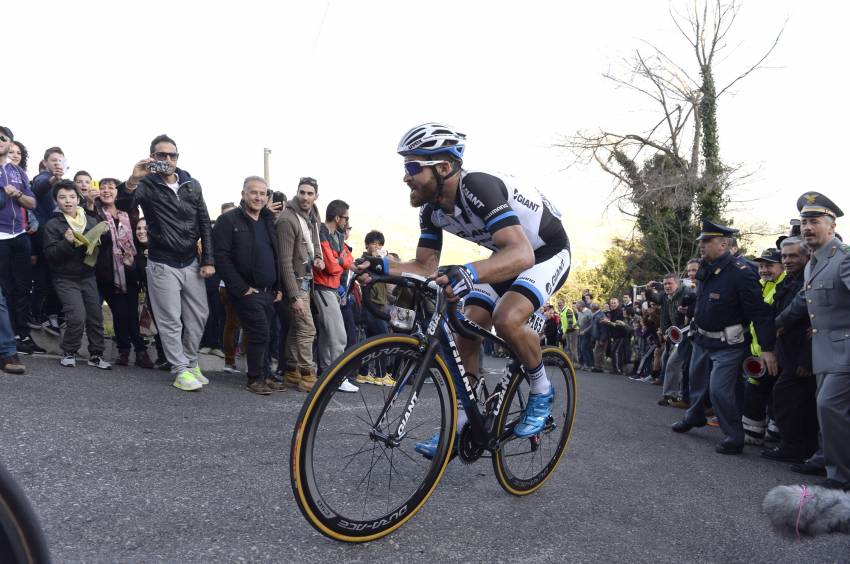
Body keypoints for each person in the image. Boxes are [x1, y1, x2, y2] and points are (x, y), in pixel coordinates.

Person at [356, 123, 571, 458]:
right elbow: (425, 266)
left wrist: (470, 273)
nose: (405, 177)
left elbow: (523, 254)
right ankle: (459, 425)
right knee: (465, 326)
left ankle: (542, 390)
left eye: (413, 167)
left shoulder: (478, 187)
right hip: (507, 255)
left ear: (444, 168)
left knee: (507, 318)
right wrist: (382, 267)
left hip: (544, 252)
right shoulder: (432, 209)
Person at [118, 134, 215, 391]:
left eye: (172, 155)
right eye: (162, 155)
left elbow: (204, 222)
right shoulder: (146, 184)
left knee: (199, 315)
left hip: (191, 261)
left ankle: (191, 361)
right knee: (170, 319)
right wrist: (133, 178)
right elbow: (123, 206)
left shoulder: (191, 184)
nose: (168, 160)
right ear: (153, 157)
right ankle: (180, 369)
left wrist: (208, 259)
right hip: (162, 262)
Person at [672, 220, 777, 455]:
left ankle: (734, 436)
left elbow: (759, 312)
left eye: (706, 241)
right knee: (696, 382)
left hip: (729, 344)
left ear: (723, 244)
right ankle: (694, 416)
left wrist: (767, 348)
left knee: (719, 389)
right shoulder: (705, 269)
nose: (701, 245)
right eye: (701, 240)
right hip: (702, 339)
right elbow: (705, 300)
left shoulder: (742, 272)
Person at [775, 192, 850, 491]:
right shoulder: (812, 263)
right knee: (827, 411)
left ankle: (841, 477)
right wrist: (777, 322)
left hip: (845, 350)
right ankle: (829, 463)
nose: (807, 227)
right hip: (825, 352)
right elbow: (804, 301)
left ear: (831, 227)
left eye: (815, 221)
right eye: (804, 222)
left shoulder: (844, 259)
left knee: (829, 406)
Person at [213, 176, 284, 395]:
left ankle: (265, 375)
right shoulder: (229, 221)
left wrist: (279, 287)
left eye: (262, 193)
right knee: (259, 332)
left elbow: (276, 256)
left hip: (269, 291)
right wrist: (241, 288)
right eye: (253, 192)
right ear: (243, 194)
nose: (258, 197)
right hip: (246, 291)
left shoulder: (267, 221)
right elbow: (221, 257)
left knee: (269, 333)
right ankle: (254, 379)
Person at [41, 180, 111, 369]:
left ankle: (96, 354)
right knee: (77, 316)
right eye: (62, 197)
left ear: (79, 198)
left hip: (88, 275)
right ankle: (69, 351)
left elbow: (102, 250)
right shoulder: (53, 225)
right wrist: (66, 242)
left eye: (72, 196)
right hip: (64, 278)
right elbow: (51, 256)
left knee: (96, 316)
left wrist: (104, 235)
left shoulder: (91, 220)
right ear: (56, 201)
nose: (68, 201)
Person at [763, 236, 816, 464]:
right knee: (792, 401)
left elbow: (813, 324)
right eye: (784, 256)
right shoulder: (789, 280)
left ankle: (795, 447)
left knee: (789, 398)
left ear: (807, 256)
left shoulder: (809, 279)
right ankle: (795, 446)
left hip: (802, 355)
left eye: (793, 255)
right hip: (787, 351)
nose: (787, 260)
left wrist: (807, 359)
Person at [276, 177, 323, 392]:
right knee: (307, 329)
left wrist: (318, 257)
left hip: (306, 280)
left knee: (297, 328)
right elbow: (284, 261)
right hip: (294, 283)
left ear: (315, 196)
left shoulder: (312, 215)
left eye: (309, 193)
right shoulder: (288, 219)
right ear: (297, 192)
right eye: (302, 192)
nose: (305, 197)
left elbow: (314, 241)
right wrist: (294, 296)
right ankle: (307, 375)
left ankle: (292, 373)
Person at [0, 126, 43, 356]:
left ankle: (22, 334)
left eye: (3, 138)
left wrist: (17, 195)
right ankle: (6, 338)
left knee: (23, 288)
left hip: (20, 235)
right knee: (4, 290)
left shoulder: (18, 172)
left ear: (10, 143)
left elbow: (32, 203)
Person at [741, 248, 785, 446]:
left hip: (776, 353)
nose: (764, 270)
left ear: (781, 266)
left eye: (769, 265)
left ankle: (775, 435)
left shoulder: (784, 287)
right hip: (757, 352)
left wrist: (771, 350)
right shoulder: (759, 286)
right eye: (761, 266)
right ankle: (754, 433)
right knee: (756, 391)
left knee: (774, 394)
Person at [313, 199, 357, 392]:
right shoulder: (321, 233)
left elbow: (348, 259)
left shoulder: (337, 236)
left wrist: (339, 259)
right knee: (338, 336)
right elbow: (331, 267)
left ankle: (325, 374)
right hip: (323, 289)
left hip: (330, 289)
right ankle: (337, 378)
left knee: (326, 334)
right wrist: (340, 261)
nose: (347, 222)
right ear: (338, 217)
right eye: (346, 218)